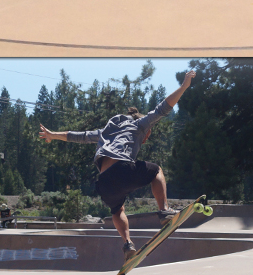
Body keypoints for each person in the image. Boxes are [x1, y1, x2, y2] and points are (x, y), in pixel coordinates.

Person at [38, 70, 197, 262]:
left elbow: (76, 136)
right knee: (156, 171)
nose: (146, 137)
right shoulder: (139, 124)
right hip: (122, 169)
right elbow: (163, 108)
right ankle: (164, 211)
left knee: (117, 210)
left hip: (104, 183)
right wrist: (184, 86)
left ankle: (128, 244)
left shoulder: (104, 132)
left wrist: (52, 134)